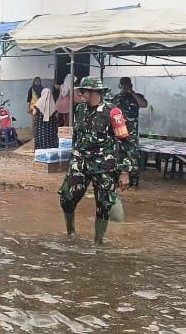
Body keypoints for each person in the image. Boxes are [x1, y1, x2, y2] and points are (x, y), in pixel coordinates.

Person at [58, 77, 135, 244]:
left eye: (83, 91)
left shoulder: (113, 112)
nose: (79, 94)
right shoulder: (80, 109)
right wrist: (74, 157)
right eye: (80, 91)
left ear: (95, 92)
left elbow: (126, 143)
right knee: (66, 196)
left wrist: (124, 172)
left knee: (104, 206)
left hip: (103, 165)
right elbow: (76, 137)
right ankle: (71, 233)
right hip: (80, 163)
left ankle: (98, 241)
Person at [112, 77, 148, 188]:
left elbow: (144, 104)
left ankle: (133, 181)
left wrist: (132, 92)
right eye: (123, 85)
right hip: (118, 132)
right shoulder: (116, 98)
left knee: (132, 156)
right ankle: (118, 179)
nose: (125, 87)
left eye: (127, 85)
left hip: (131, 133)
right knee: (118, 155)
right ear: (119, 86)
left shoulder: (137, 97)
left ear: (131, 85)